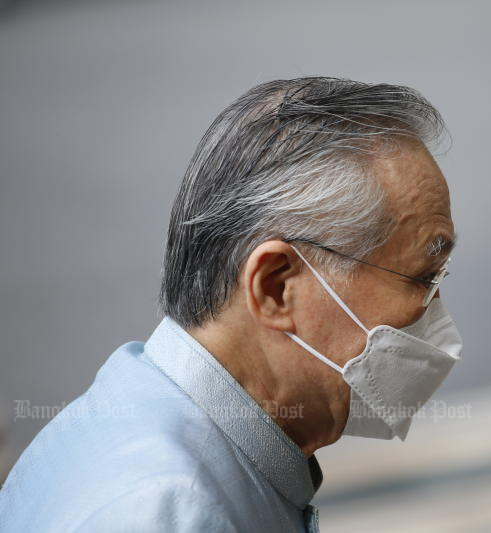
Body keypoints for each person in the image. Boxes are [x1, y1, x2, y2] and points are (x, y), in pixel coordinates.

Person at [0, 76, 463, 532]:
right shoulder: (173, 511)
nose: (434, 309)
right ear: (276, 288)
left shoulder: (140, 413)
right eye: (422, 278)